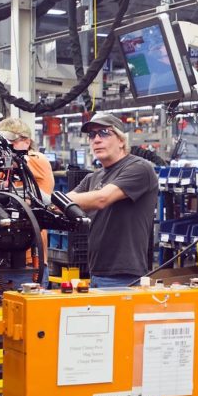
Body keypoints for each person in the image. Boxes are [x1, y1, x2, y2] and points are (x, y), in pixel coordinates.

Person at [68, 113, 159, 288]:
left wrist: (67, 200)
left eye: (103, 133)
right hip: (96, 271)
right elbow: (61, 205)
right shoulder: (93, 177)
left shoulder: (139, 168)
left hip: (123, 274)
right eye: (92, 135)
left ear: (121, 140)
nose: (96, 140)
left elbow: (102, 198)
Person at [0, 117, 55, 285]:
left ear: (26, 141)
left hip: (29, 260)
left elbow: (19, 161)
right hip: (1, 258)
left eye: (11, 142)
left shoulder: (36, 159)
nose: (6, 148)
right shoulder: (1, 165)